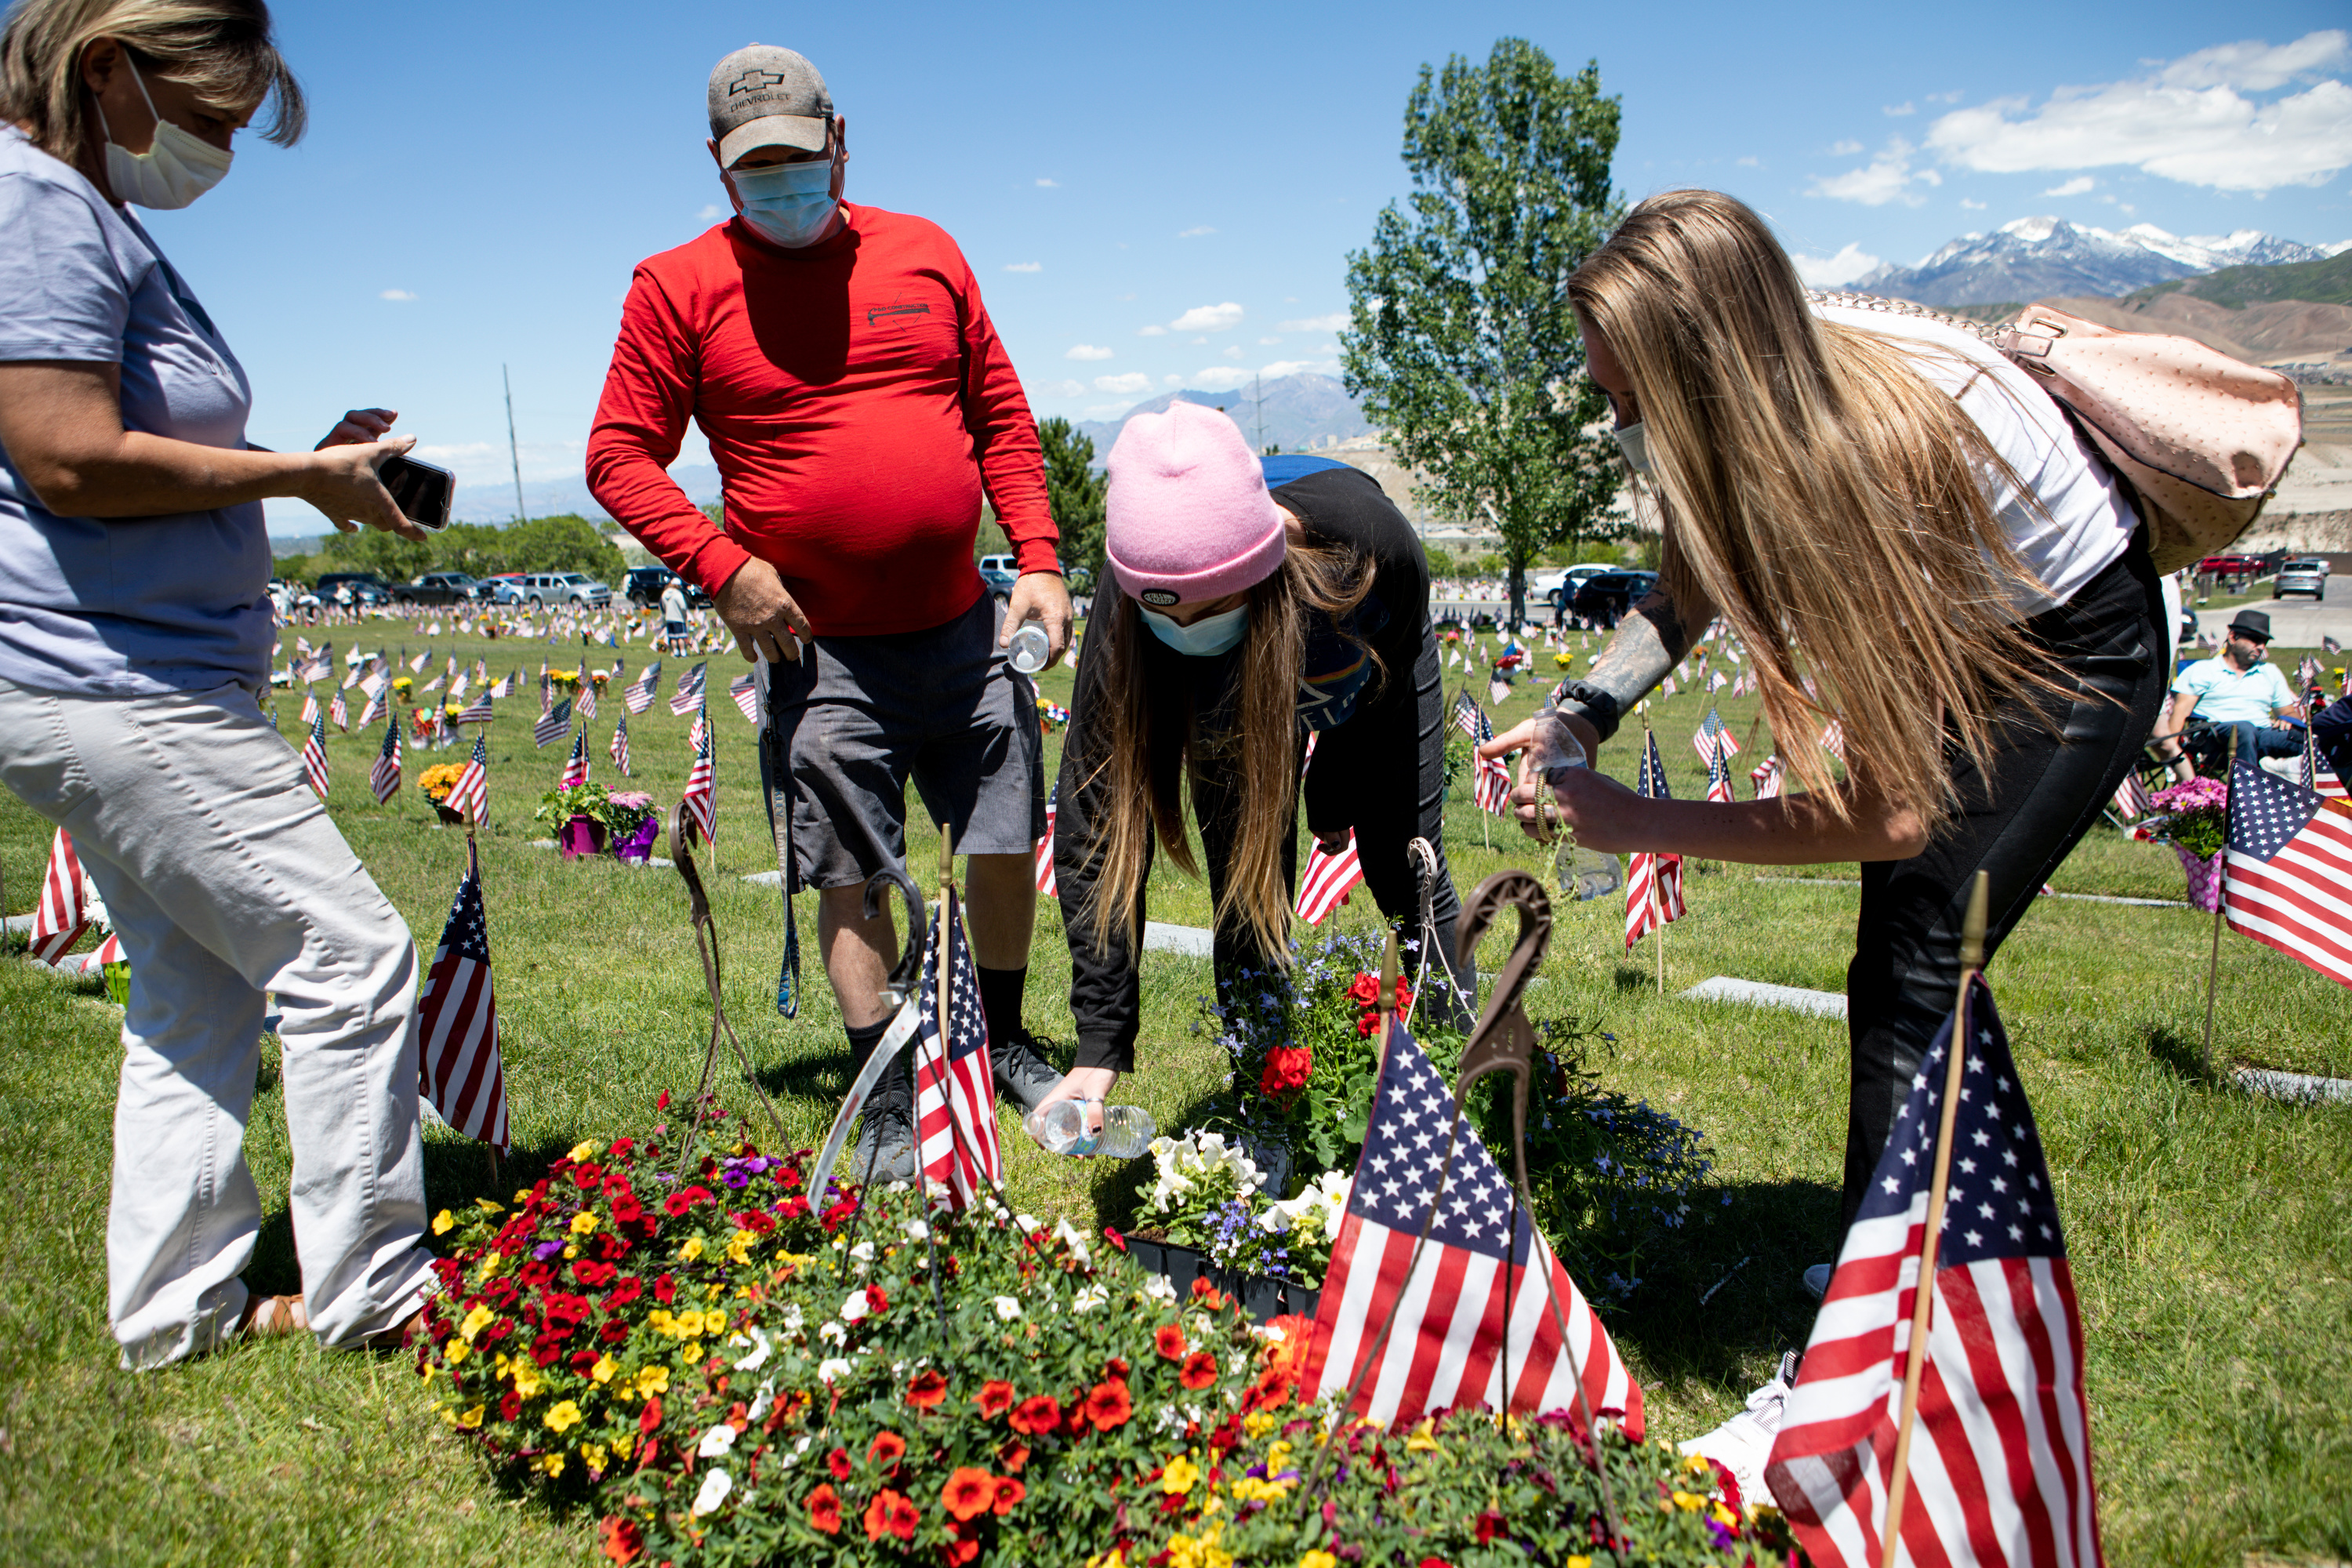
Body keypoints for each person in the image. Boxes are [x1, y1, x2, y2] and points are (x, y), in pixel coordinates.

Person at [1480, 191, 2165, 1500]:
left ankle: (1851, 1379)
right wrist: (1579, 710)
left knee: (1915, 956)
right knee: (1893, 958)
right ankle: (1900, 1259)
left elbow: (1893, 815)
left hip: (2078, 654)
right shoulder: (1767, 375)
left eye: (1628, 402)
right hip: (1990, 620)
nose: (1618, 423)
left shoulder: (1851, 462)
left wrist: (1644, 820)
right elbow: (1689, 580)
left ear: (1704, 370)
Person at [0, 0, 439, 1367]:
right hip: (122, 684)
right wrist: (296, 477)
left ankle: (177, 1312)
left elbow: (121, 460)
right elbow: (71, 456)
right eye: (205, 122)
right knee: (349, 957)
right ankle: (376, 1296)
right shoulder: (37, 205)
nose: (215, 154)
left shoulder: (68, 206)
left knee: (196, 992)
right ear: (106, 68)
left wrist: (305, 470)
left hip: (113, 678)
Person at [587, 45, 1072, 1178]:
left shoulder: (927, 250)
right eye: (757, 171)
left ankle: (999, 1039)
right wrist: (718, 563)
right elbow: (618, 456)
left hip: (965, 626)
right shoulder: (675, 286)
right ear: (719, 167)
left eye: (800, 163)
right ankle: (890, 1090)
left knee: (1004, 840)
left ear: (841, 140)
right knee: (849, 870)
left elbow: (1000, 413)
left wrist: (1038, 553)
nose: (783, 187)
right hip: (819, 650)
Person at [1043, 404, 1474, 1136]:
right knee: (1246, 875)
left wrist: (1334, 786)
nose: (1183, 633)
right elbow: (1097, 823)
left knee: (1403, 860)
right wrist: (1100, 1040)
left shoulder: (1373, 553)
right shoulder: (1133, 585)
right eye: (1164, 618)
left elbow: (1381, 695)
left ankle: (1465, 1067)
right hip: (1247, 672)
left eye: (1206, 610)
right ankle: (1266, 1088)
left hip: (1353, 641)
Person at [2153, 608, 2301, 781]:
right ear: (2232, 637)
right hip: (2214, 738)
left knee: (2306, 739)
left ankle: (2315, 797)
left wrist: (2288, 720)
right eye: (2255, 640)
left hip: (2261, 733)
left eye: (2264, 642)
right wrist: (2175, 755)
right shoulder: (2202, 670)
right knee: (2244, 729)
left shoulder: (2270, 672)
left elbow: (2289, 714)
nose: (2261, 647)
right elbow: (2180, 713)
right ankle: (2248, 795)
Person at [658, 571, 690, 655]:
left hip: (669, 618)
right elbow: (683, 607)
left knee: (673, 637)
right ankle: (683, 652)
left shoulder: (665, 594)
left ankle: (675, 652)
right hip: (678, 618)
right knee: (681, 637)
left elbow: (663, 606)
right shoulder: (678, 594)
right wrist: (685, 615)